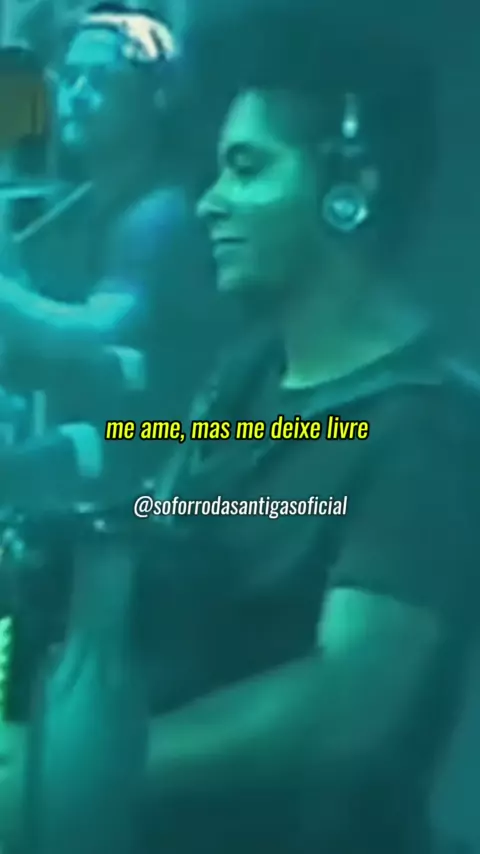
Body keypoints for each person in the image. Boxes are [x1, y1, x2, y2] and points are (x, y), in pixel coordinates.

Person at [1, 6, 480, 854]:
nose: (211, 201)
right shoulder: (248, 374)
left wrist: (81, 765)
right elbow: (175, 522)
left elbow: (351, 702)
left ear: (350, 190)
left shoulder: (425, 429)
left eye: (247, 169)